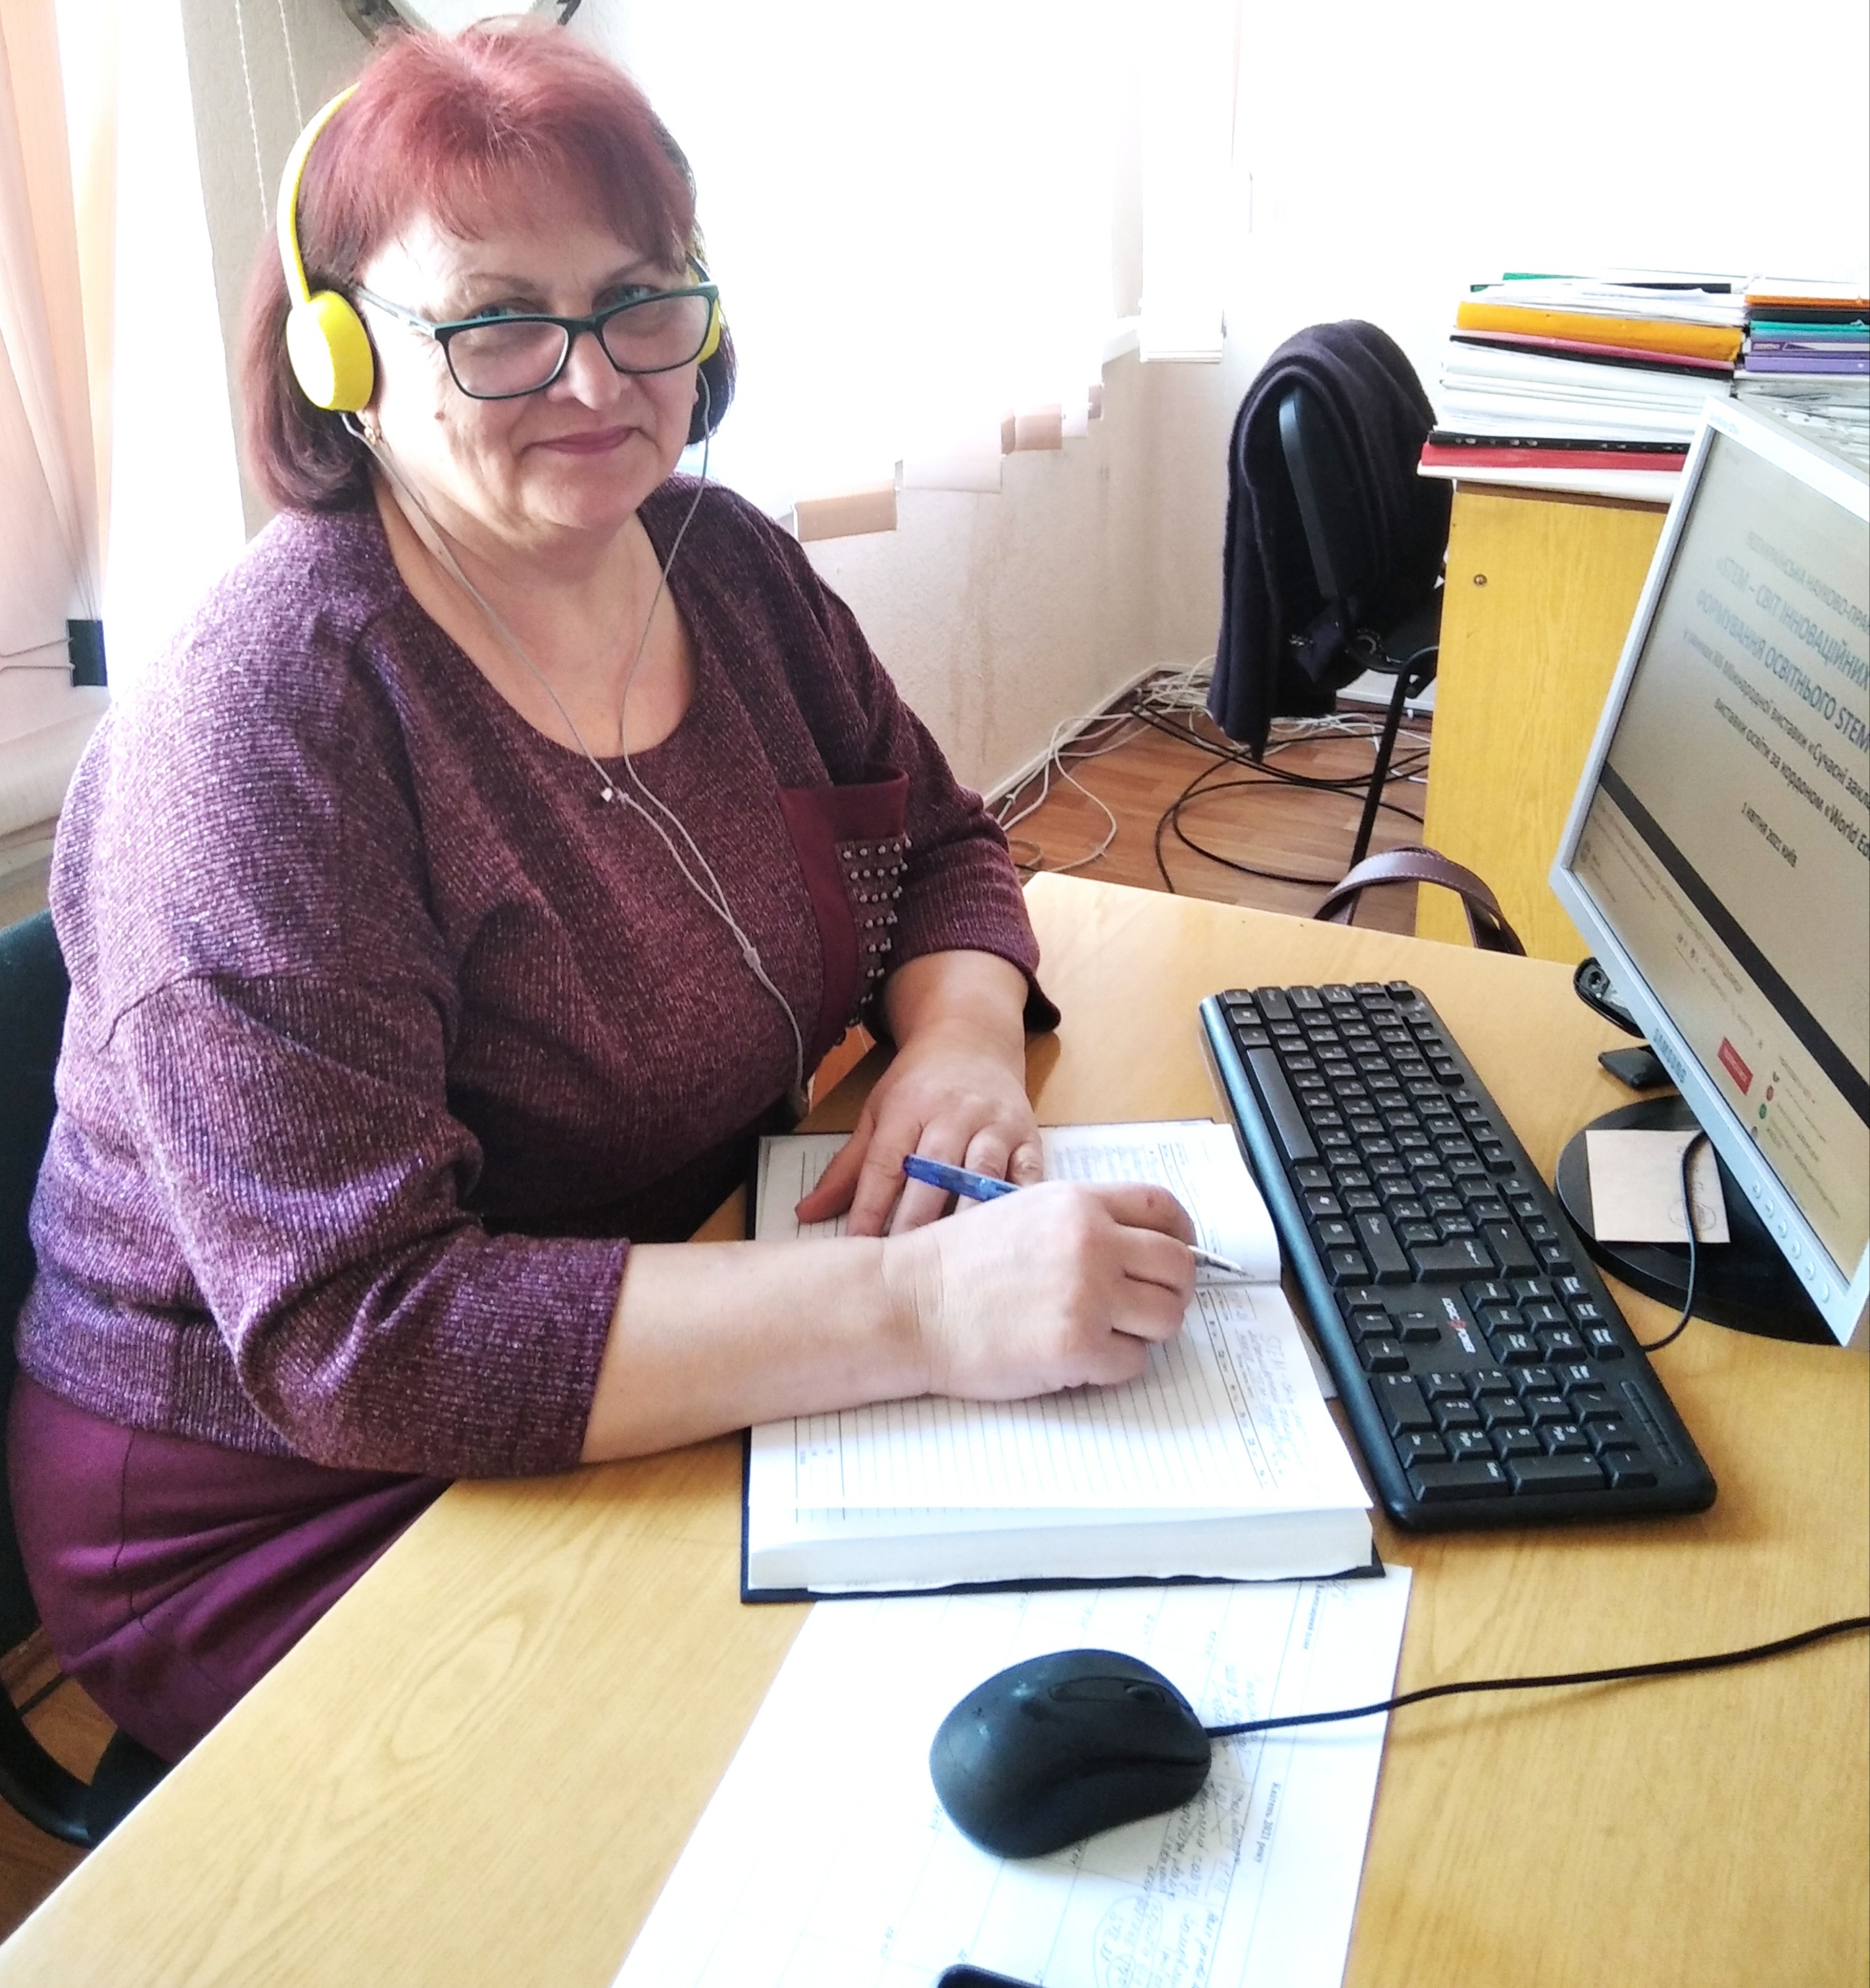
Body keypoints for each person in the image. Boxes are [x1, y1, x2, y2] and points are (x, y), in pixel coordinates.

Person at [9, 24, 1196, 1765]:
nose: (594, 381)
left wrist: (958, 1048)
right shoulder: (268, 728)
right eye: (496, 322)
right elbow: (363, 1335)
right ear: (344, 355)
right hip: (293, 1491)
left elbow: (942, 847)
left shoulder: (732, 568)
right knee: (834, 1753)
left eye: (639, 301)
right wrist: (926, 1311)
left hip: (684, 1288)